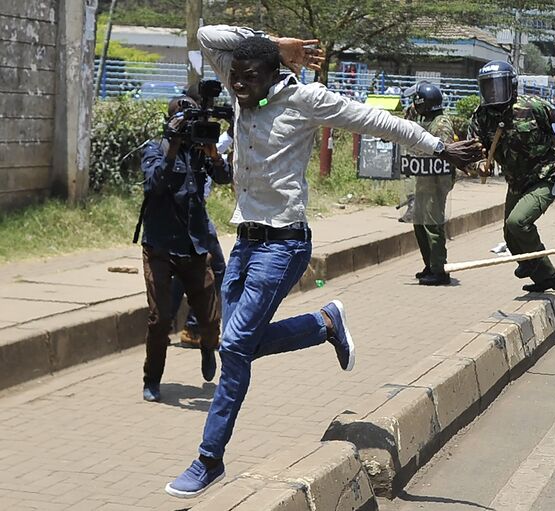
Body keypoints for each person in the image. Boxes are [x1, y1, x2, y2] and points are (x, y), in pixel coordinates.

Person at [164, 26, 483, 499]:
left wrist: (438, 148)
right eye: (234, 78)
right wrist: (274, 43)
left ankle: (209, 459)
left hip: (284, 245)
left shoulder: (307, 99)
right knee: (239, 346)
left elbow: (379, 122)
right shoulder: (240, 83)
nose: (237, 86)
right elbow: (209, 35)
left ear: (273, 76)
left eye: (249, 78)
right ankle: (324, 324)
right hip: (245, 243)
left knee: (233, 350)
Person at [136, 96, 234, 402]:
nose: (188, 126)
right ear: (170, 121)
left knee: (209, 317)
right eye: (183, 119)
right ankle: (152, 379)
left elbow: (224, 178)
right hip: (160, 246)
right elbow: (154, 185)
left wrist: (214, 155)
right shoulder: (154, 149)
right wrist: (172, 146)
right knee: (160, 318)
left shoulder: (199, 152)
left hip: (193, 246)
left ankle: (207, 347)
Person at [468, 60, 555, 293]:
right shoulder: (481, 117)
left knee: (518, 222)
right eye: (487, 87)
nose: (492, 92)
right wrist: (479, 165)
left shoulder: (535, 107)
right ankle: (532, 267)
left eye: (497, 86)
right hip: (516, 182)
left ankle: (548, 275)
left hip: (545, 176)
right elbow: (472, 150)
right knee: (510, 236)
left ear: (511, 85)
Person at [170, 128, 234, 348]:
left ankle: (169, 324)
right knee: (216, 270)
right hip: (188, 216)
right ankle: (194, 327)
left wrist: (214, 156)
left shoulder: (206, 144)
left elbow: (224, 175)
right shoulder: (172, 146)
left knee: (183, 271)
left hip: (197, 213)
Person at [402, 81, 456, 286]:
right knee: (419, 222)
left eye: (417, 102)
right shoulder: (425, 119)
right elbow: (406, 124)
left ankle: (439, 270)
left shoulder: (441, 123)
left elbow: (442, 150)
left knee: (433, 223)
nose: (414, 106)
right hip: (423, 177)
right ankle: (429, 264)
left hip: (436, 181)